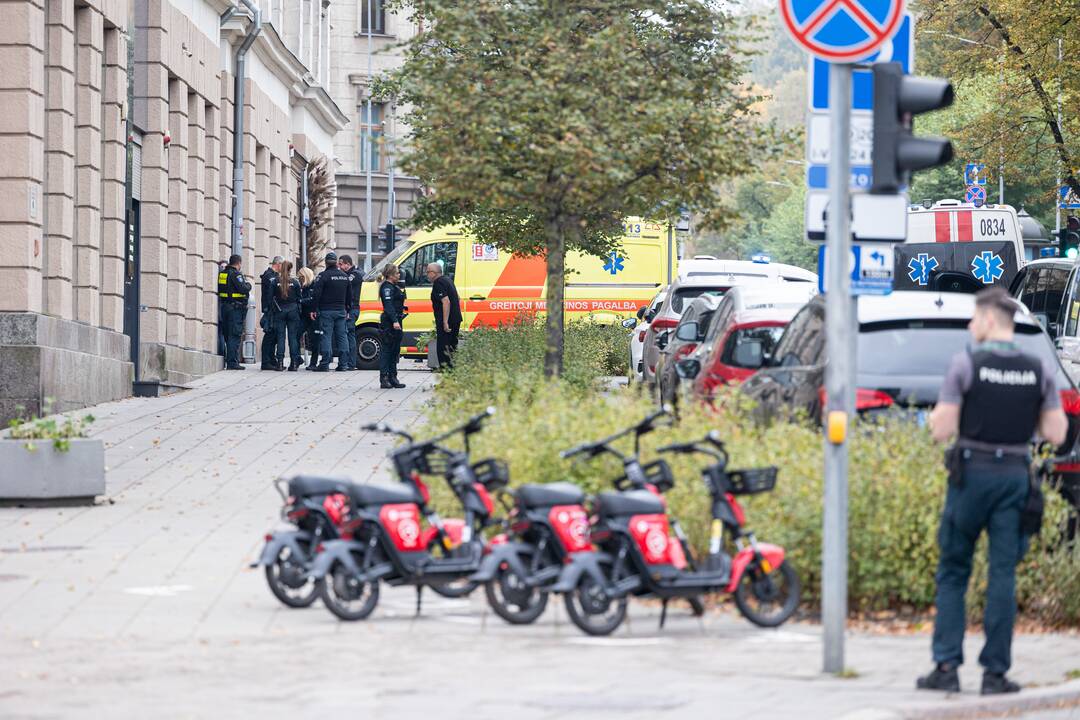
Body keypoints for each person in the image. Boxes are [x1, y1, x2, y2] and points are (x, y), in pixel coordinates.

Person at [919, 287, 1067, 696]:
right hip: (1014, 477)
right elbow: (1056, 433)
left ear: (987, 320)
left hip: (971, 475)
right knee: (1003, 574)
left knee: (953, 570)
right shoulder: (1037, 368)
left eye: (972, 318)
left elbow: (942, 429)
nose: (970, 326)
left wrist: (945, 416)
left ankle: (946, 666)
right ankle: (995, 674)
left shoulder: (966, 364)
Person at [311, 251, 353, 372]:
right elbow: (349, 296)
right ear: (337, 263)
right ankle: (343, 364)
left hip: (326, 311)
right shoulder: (345, 276)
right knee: (342, 336)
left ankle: (325, 363)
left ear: (326, 263)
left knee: (326, 336)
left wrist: (314, 309)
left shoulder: (323, 276)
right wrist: (347, 309)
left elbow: (316, 294)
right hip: (341, 311)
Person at [217, 254, 251, 370]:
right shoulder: (236, 274)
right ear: (238, 263)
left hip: (224, 307)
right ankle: (232, 362)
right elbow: (244, 288)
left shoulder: (222, 274)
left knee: (227, 335)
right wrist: (248, 284)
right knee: (234, 335)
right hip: (235, 309)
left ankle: (230, 360)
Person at [427, 262, 462, 369]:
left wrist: (445, 322)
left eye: (428, 272)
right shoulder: (448, 280)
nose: (427, 274)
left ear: (433, 273)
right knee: (452, 348)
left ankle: (446, 375)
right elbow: (458, 298)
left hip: (447, 321)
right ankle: (452, 375)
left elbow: (446, 301)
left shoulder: (438, 283)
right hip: (455, 318)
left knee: (443, 350)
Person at [269, 260, 303, 371]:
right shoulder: (295, 282)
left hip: (280, 311)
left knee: (280, 337)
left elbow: (270, 298)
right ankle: (293, 363)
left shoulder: (275, 281)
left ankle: (279, 363)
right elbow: (299, 298)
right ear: (290, 269)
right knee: (293, 337)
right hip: (293, 311)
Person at [378, 263, 407, 388]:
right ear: (390, 275)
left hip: (397, 320)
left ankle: (393, 377)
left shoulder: (394, 286)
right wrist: (395, 321)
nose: (399, 275)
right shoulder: (386, 288)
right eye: (396, 273)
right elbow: (388, 306)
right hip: (390, 322)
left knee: (395, 350)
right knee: (387, 350)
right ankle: (384, 378)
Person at [339, 254, 363, 372]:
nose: (339, 266)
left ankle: (351, 362)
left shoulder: (355, 275)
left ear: (348, 264)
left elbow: (345, 284)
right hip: (348, 308)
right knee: (347, 334)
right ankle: (347, 361)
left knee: (349, 334)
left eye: (341, 264)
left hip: (352, 308)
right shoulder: (349, 274)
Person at [260, 255, 284, 370]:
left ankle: (271, 359)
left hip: (275, 310)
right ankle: (265, 361)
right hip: (270, 310)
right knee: (269, 336)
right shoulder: (269, 276)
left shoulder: (274, 276)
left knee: (274, 337)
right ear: (278, 264)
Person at [298, 266, 321, 370]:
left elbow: (312, 300)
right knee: (296, 335)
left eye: (301, 277)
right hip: (304, 316)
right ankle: (297, 358)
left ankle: (313, 363)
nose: (300, 279)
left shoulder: (315, 285)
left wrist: (301, 301)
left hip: (313, 316)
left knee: (314, 340)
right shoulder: (303, 287)